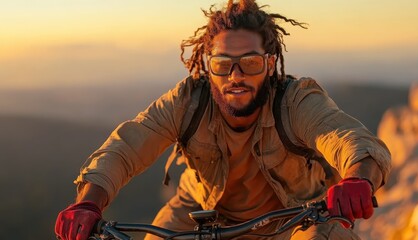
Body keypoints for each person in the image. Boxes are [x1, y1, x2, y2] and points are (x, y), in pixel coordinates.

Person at [55, 0, 391, 239]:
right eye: (222, 64)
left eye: (250, 63)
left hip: (295, 217)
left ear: (270, 64)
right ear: (206, 65)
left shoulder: (295, 101)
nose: (235, 76)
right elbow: (127, 147)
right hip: (200, 212)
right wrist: (87, 203)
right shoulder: (187, 101)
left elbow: (348, 137)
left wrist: (358, 180)